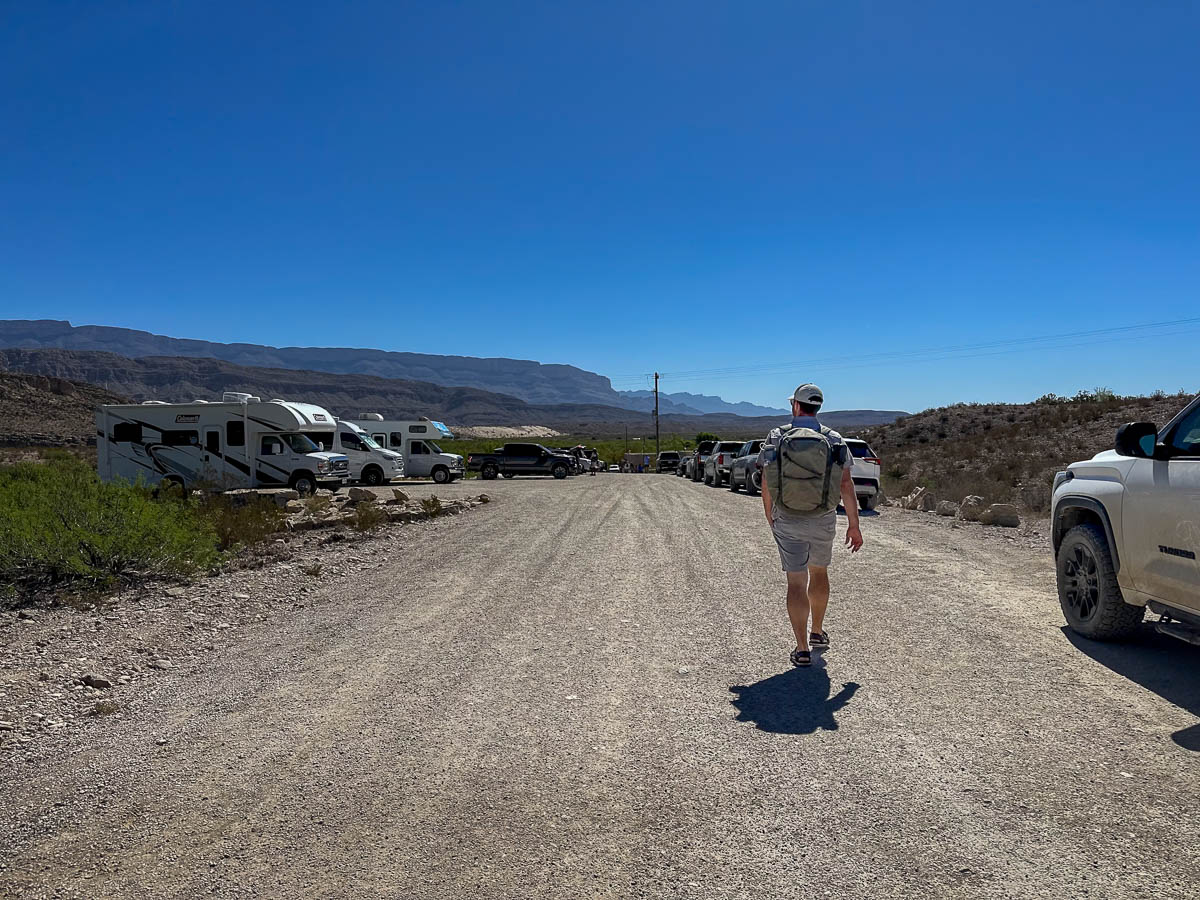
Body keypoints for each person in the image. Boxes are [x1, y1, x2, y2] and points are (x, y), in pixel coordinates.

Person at [760, 383, 864, 668]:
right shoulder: (833, 439)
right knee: (819, 573)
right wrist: (854, 525)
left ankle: (802, 648)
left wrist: (770, 514)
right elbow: (845, 483)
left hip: (788, 518)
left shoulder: (777, 436)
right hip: (823, 517)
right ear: (817, 407)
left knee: (796, 581)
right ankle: (817, 632)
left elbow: (767, 481)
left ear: (795, 405)